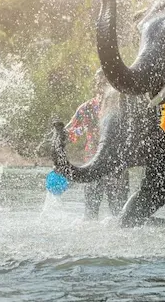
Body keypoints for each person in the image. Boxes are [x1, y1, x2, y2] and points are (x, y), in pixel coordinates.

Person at [66, 69, 129, 220]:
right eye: (99, 82)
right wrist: (59, 136)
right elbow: (70, 134)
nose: (102, 85)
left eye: (106, 82)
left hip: (116, 166)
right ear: (95, 85)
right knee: (90, 214)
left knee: (120, 214)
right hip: (92, 165)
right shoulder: (86, 108)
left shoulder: (123, 107)